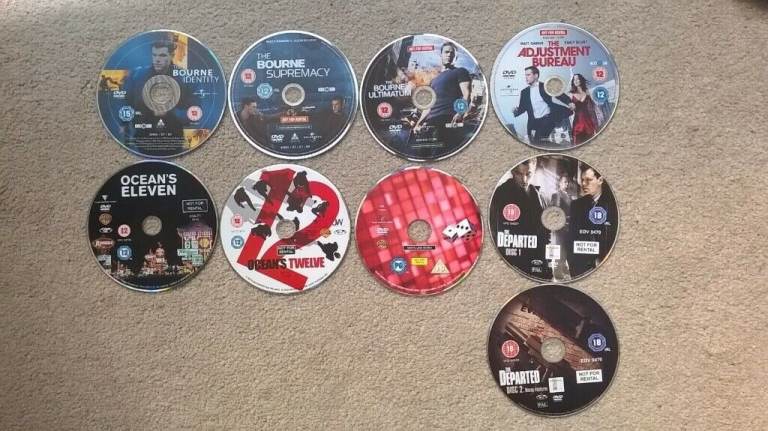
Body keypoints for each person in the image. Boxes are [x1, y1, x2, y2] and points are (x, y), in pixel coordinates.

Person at [121, 36, 188, 151]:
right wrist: (125, 128)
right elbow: (125, 105)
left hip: (173, 140)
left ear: (172, 55)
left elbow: (194, 111)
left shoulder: (183, 78)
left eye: (162, 55)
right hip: (142, 140)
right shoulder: (137, 76)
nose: (157, 59)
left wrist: (170, 111)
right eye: (154, 55)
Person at [490, 158, 552, 279]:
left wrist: (547, 263)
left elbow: (546, 231)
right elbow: (493, 230)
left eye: (528, 174)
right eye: (519, 174)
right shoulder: (501, 193)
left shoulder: (539, 195)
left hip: (537, 261)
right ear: (513, 172)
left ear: (534, 169)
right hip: (512, 261)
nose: (524, 180)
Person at [412, 42, 473, 148]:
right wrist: (418, 123)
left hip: (448, 118)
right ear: (441, 54)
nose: (449, 55)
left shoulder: (460, 71)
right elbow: (428, 106)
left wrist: (460, 113)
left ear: (455, 56)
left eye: (452, 53)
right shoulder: (434, 80)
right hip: (430, 122)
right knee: (424, 153)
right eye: (446, 52)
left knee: (444, 150)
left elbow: (466, 94)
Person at [567, 166, 617, 276]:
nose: (583, 184)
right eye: (582, 180)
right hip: (579, 267)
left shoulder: (613, 205)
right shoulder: (576, 205)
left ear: (600, 180)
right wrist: (572, 263)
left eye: (588, 180)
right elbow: (571, 237)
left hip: (607, 265)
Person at [513, 66, 574, 144]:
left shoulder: (545, 86)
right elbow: (522, 108)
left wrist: (569, 102)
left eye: (528, 75)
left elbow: (559, 95)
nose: (526, 77)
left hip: (548, 118)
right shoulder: (524, 92)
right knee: (536, 143)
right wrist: (516, 111)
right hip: (534, 121)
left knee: (538, 140)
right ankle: (555, 147)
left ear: (536, 75)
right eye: (525, 75)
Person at [569, 74, 599, 145]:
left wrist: (595, 123)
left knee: (590, 144)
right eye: (574, 79)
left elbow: (592, 108)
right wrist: (571, 107)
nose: (576, 81)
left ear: (581, 80)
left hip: (589, 123)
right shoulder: (571, 94)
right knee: (578, 144)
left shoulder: (587, 92)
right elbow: (570, 109)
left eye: (577, 79)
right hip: (578, 124)